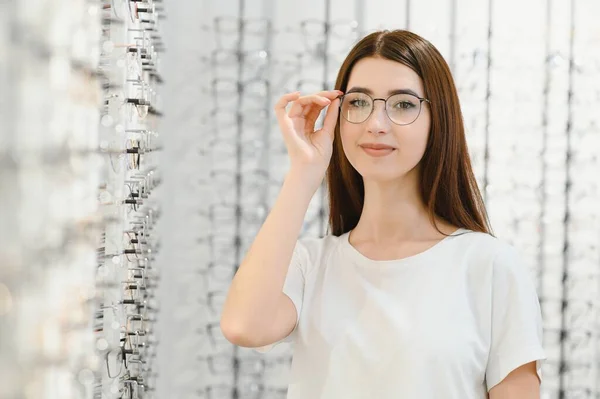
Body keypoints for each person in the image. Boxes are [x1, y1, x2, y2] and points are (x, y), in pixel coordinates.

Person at [220, 29, 546, 399]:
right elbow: (243, 326)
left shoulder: (489, 265)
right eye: (359, 103)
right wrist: (304, 173)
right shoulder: (311, 263)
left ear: (437, 119)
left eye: (403, 104)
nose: (376, 123)